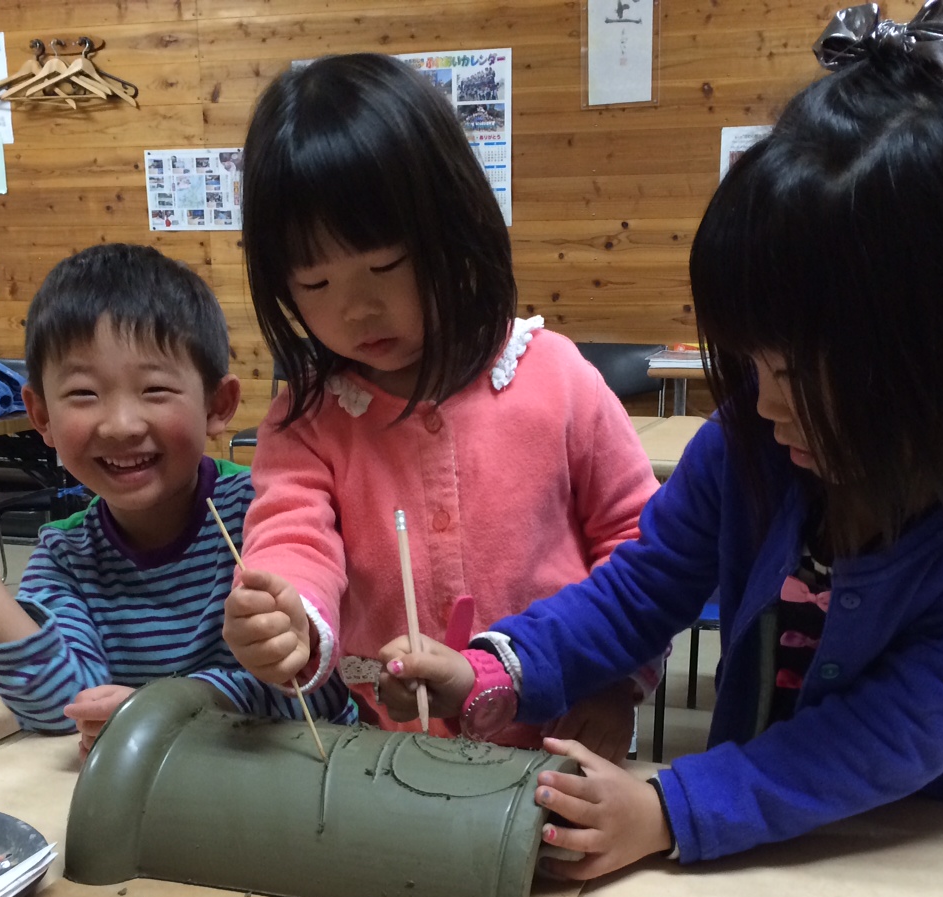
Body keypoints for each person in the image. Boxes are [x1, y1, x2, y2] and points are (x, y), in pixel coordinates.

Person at [382, 2, 943, 880]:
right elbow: (640, 590)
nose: (761, 405)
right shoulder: (754, 440)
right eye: (751, 365)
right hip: (794, 804)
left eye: (798, 376)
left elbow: (886, 736)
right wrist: (497, 669)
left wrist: (671, 807)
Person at [222, 53, 660, 760]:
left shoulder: (553, 377)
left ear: (452, 227)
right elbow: (293, 543)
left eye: (386, 266)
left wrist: (613, 687)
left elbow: (642, 547)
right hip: (391, 750)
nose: (357, 309)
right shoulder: (307, 426)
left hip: (566, 736)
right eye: (314, 282)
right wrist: (289, 621)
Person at [0, 244, 355, 751]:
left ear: (218, 405)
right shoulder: (65, 555)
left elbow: (320, 690)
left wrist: (158, 712)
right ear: (41, 416)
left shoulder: (271, 518)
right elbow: (61, 707)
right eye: (84, 394)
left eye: (154, 390)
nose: (121, 425)